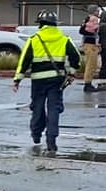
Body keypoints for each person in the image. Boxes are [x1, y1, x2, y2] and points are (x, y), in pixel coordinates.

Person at [12, 10, 80, 156]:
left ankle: (36, 134)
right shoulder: (64, 39)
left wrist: (17, 79)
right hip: (57, 80)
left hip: (38, 80)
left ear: (41, 24)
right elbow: (76, 57)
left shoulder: (34, 39)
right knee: (54, 108)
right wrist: (72, 72)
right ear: (55, 24)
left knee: (37, 106)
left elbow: (24, 61)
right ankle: (51, 141)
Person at [78, 10, 102, 93]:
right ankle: (87, 84)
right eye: (97, 10)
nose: (98, 12)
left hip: (91, 45)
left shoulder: (87, 20)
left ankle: (89, 83)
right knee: (90, 65)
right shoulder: (93, 19)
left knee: (92, 65)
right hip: (90, 45)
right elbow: (91, 30)